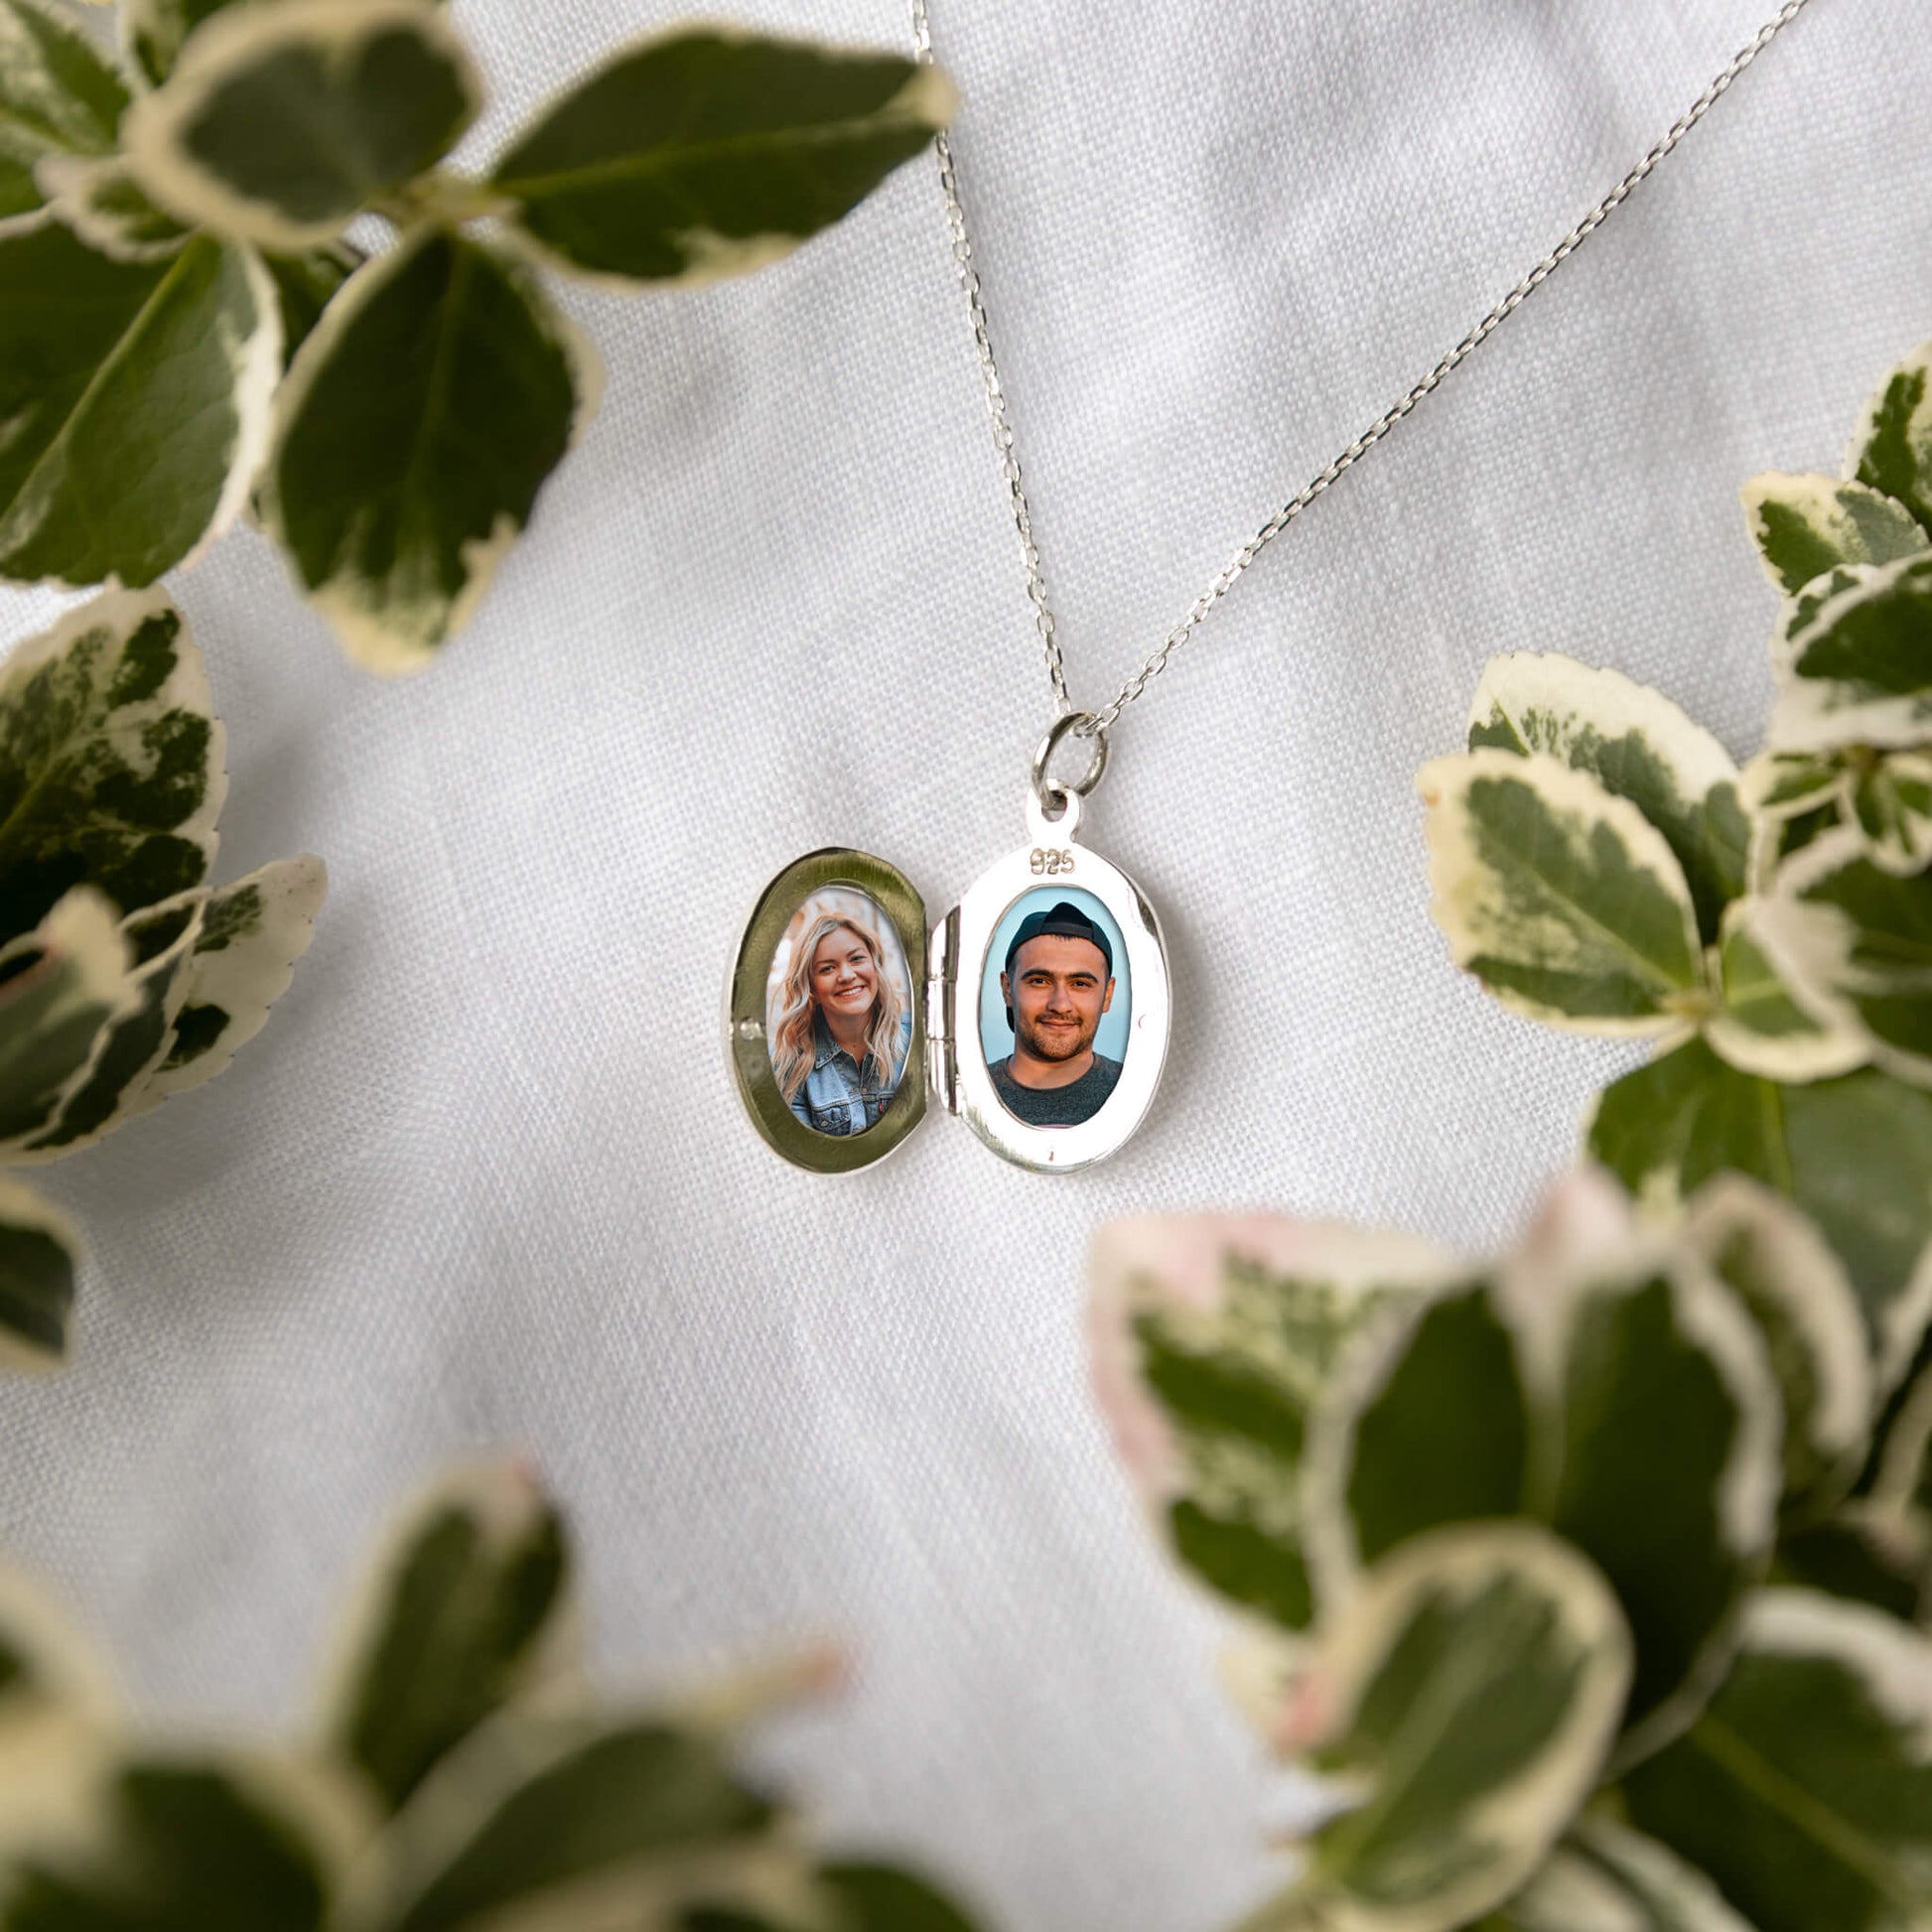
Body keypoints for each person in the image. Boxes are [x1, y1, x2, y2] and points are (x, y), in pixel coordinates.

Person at [770, 911, 909, 1136]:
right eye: (827, 968)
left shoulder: (915, 1038)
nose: (846, 975)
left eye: (856, 959)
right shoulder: (789, 1064)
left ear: (874, 965)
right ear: (811, 986)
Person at [989, 900, 1121, 1127]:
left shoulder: (1133, 1091)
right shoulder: (971, 1091)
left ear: (1107, 995)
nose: (1060, 1005)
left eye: (1080, 983)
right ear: (1007, 988)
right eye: (1039, 981)